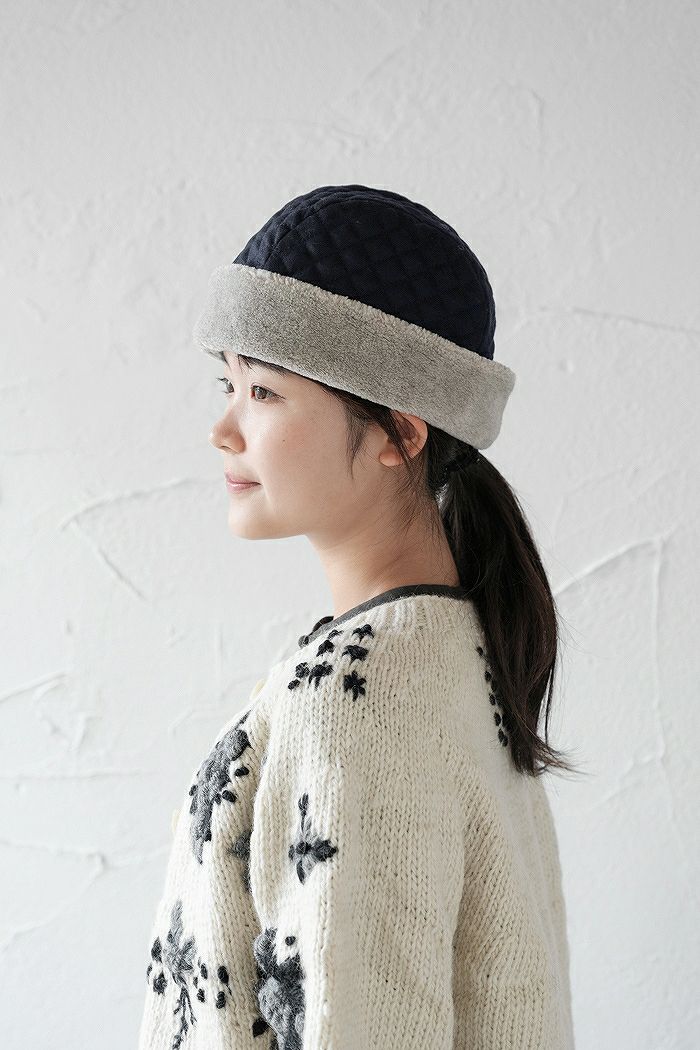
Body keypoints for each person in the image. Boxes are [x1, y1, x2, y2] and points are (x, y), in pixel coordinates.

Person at [137, 184, 579, 1050]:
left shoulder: (355, 699)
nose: (224, 428)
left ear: (399, 434)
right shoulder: (453, 654)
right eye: (228, 383)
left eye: (264, 391)